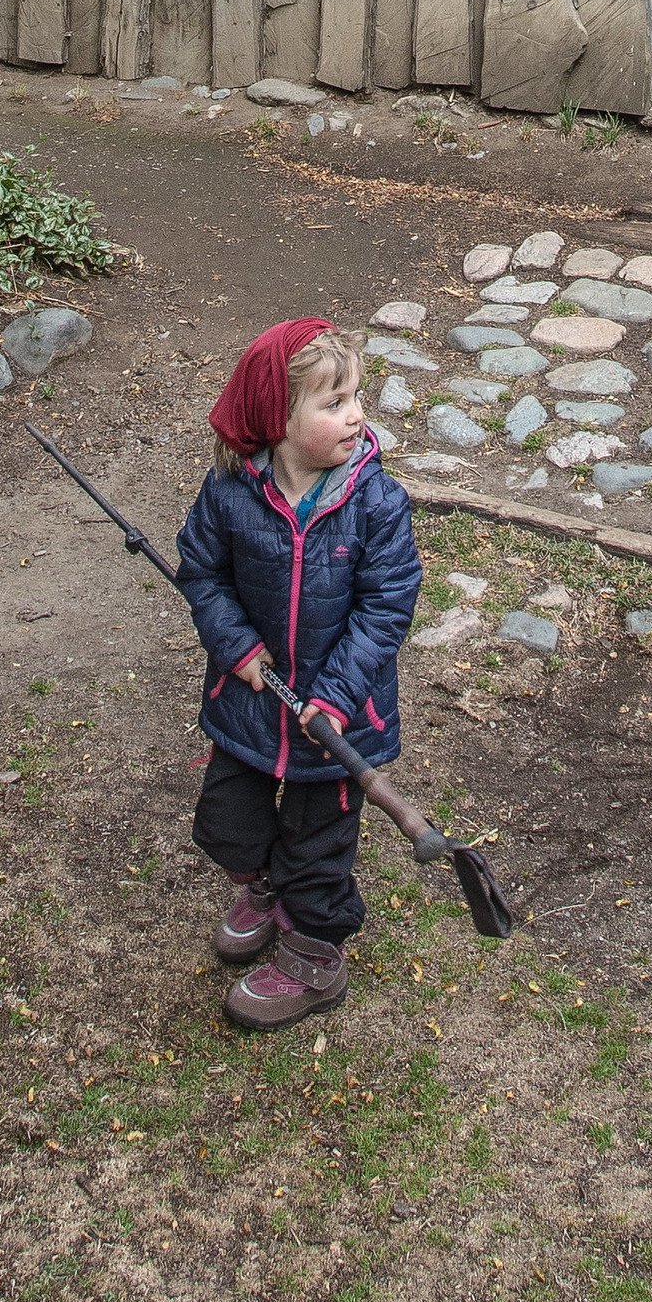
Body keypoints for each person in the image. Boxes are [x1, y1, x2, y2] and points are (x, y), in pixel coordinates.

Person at [173, 318, 421, 1030]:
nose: (356, 415)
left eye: (357, 397)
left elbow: (386, 607)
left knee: (319, 847)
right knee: (228, 822)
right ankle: (259, 884)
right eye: (333, 402)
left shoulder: (376, 503)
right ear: (274, 420)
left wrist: (338, 697)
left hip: (338, 724)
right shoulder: (229, 495)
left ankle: (313, 957)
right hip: (250, 703)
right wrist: (236, 644)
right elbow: (202, 572)